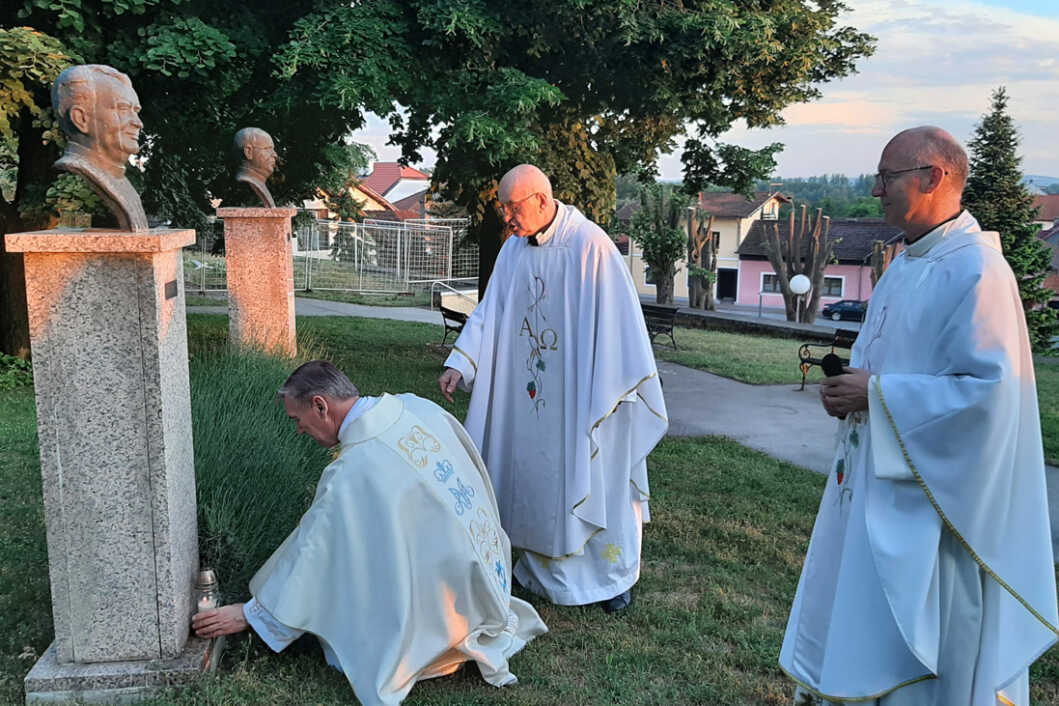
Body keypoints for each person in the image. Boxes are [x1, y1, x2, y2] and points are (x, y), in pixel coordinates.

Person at [780, 126, 1058, 705]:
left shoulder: (979, 272)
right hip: (875, 483)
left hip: (937, 512)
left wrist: (876, 396)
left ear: (932, 177)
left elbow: (991, 396)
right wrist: (852, 390)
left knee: (930, 655)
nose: (876, 189)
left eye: (886, 177)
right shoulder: (906, 262)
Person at [192, 360, 547, 705]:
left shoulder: (354, 469)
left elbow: (316, 548)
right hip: (482, 578)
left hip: (445, 606)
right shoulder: (417, 407)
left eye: (297, 420)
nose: (298, 430)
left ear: (320, 406)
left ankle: (428, 639)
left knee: (348, 640)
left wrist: (253, 613)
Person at [437, 164, 667, 613]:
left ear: (541, 200)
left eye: (513, 206)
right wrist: (461, 363)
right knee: (533, 476)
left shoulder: (591, 248)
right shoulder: (514, 252)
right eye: (503, 207)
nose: (507, 216)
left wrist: (604, 385)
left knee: (595, 474)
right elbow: (491, 312)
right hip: (532, 402)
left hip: (585, 398)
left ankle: (609, 579)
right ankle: (539, 571)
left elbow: (619, 329)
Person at [51, 64, 148, 231]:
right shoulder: (82, 173)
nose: (138, 123)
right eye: (123, 109)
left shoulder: (121, 181)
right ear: (81, 119)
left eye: (136, 111)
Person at [233, 127, 277, 208]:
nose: (274, 155)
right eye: (268, 149)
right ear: (248, 152)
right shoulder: (247, 185)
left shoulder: (258, 183)